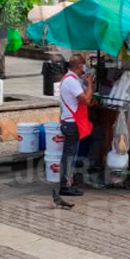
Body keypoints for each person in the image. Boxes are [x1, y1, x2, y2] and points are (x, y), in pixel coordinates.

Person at [57, 53, 95, 201]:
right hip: (71, 123)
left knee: (69, 154)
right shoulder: (71, 82)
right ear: (79, 66)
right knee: (69, 155)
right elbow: (85, 99)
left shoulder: (71, 79)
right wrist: (90, 84)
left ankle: (67, 182)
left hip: (69, 122)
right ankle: (65, 186)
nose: (85, 67)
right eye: (84, 64)